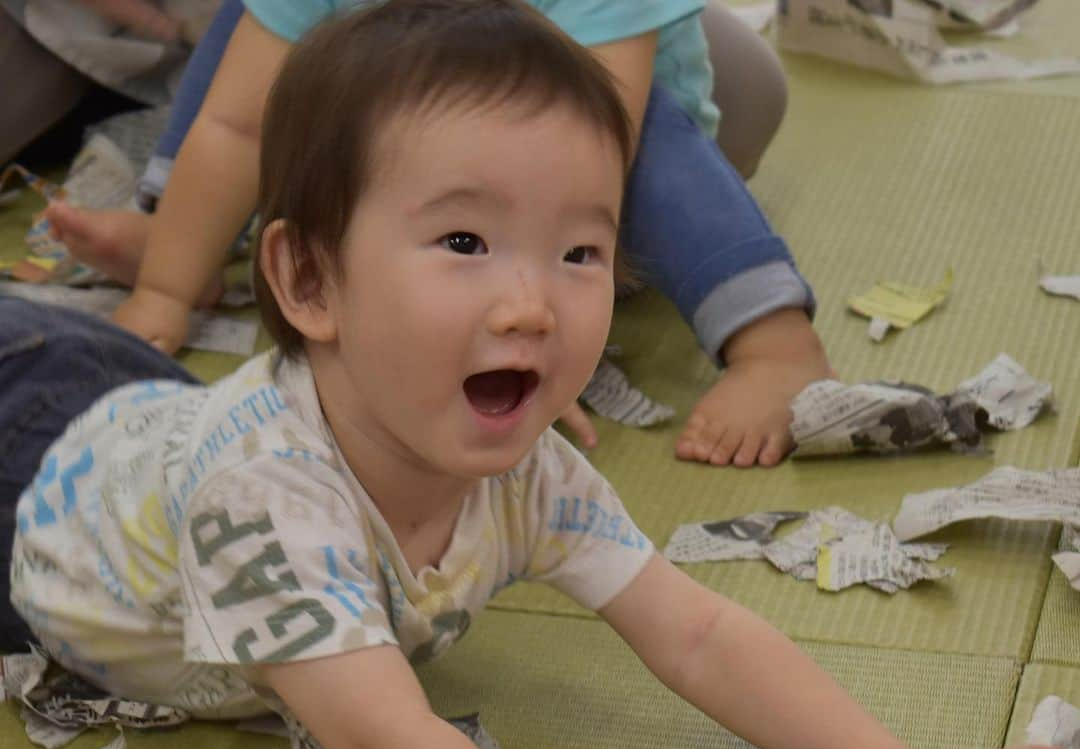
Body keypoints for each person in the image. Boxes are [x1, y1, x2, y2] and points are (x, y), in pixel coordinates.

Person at [3, 0, 1058, 749]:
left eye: (579, 250)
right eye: (465, 242)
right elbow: (391, 741)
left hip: (139, 422)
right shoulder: (265, 500)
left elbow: (694, 632)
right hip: (30, 486)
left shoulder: (525, 465)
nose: (532, 304)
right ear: (311, 283)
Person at [43, 0, 829, 469]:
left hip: (601, 172)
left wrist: (534, 331)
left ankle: (774, 343)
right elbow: (236, 122)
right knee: (251, 42)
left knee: (618, 130)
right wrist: (166, 292)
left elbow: (587, 163)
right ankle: (180, 231)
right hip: (410, 150)